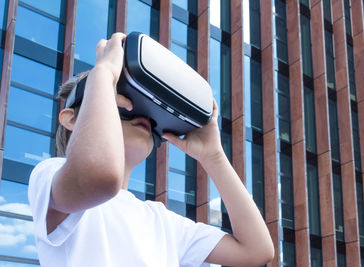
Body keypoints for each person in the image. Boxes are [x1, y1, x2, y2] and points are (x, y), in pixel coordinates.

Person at [28, 32, 274, 267]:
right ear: (71, 118)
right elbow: (99, 175)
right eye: (119, 96)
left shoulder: (161, 220)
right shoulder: (50, 174)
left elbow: (257, 249)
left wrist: (214, 156)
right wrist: (102, 75)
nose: (140, 111)